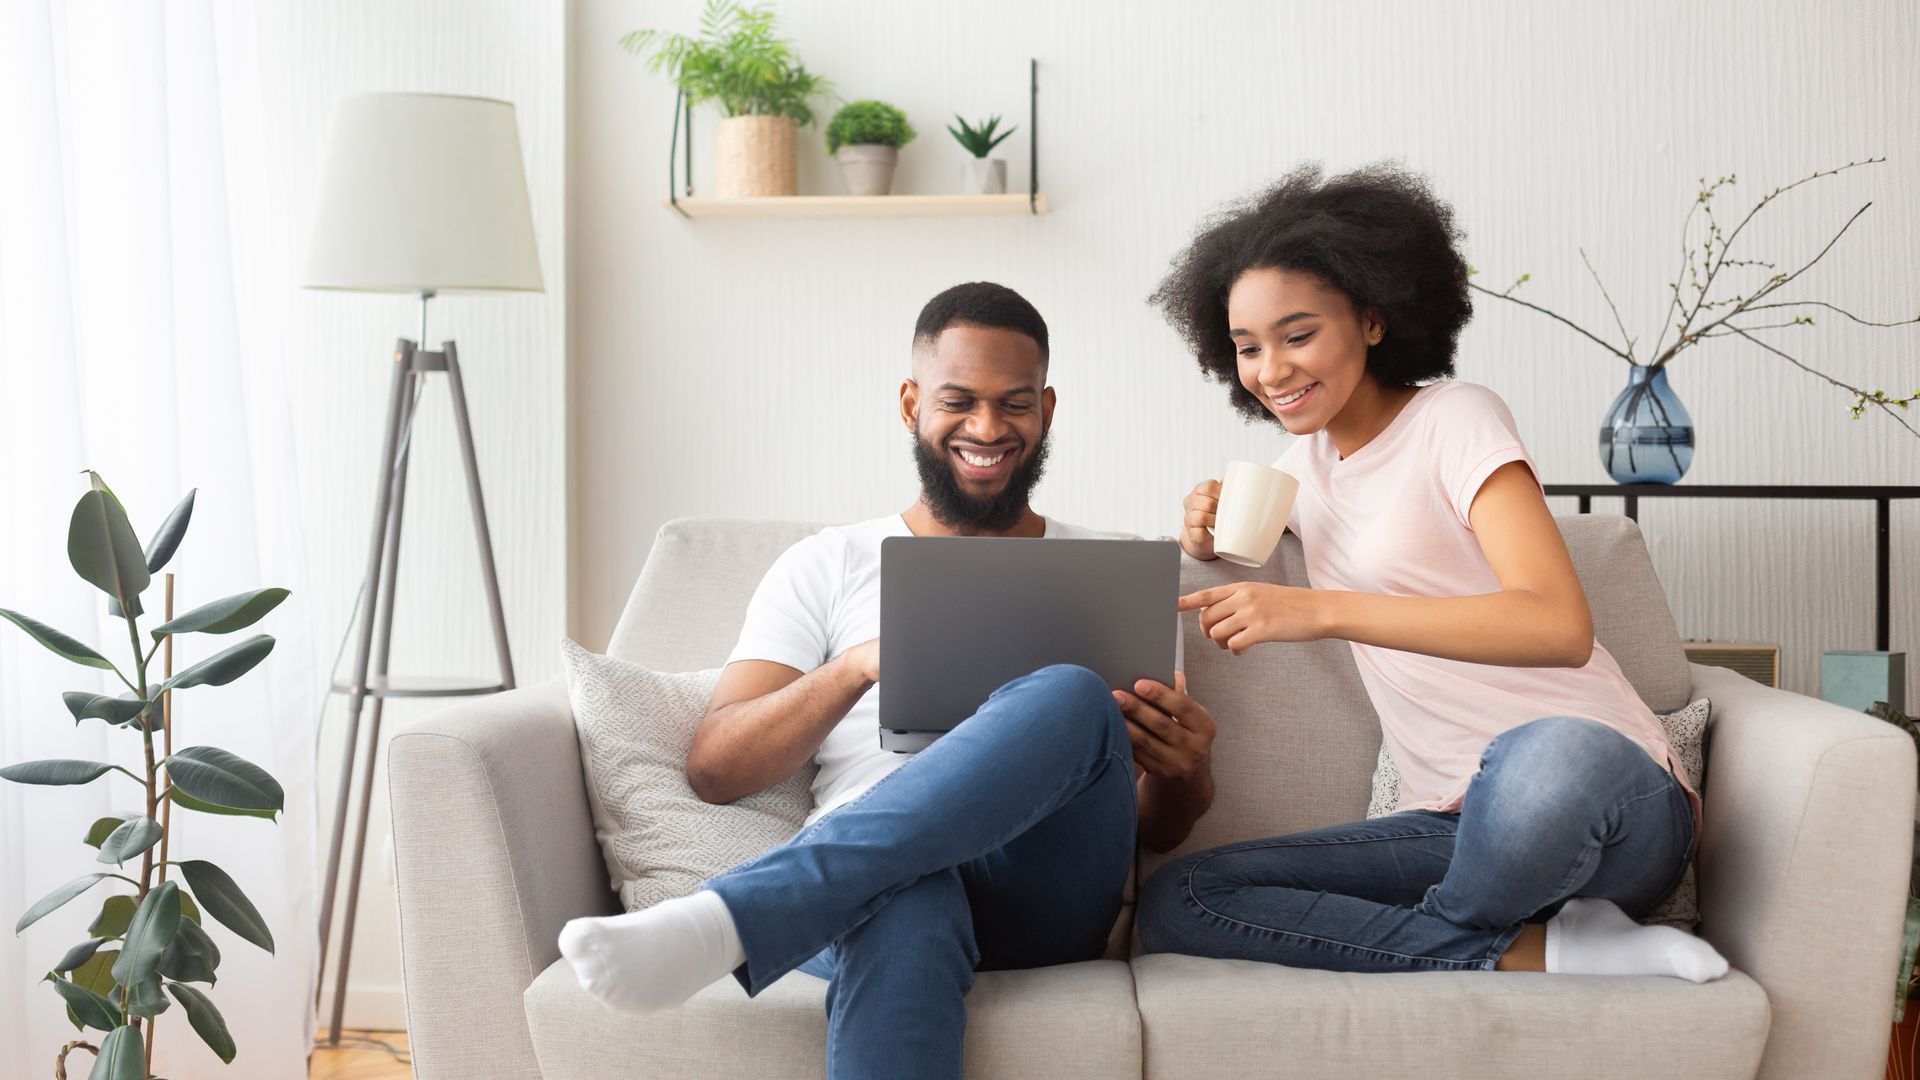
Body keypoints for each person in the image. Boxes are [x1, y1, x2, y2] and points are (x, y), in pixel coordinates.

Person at [558, 281, 1221, 1078]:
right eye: (958, 401)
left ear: (1047, 410)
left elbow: (1156, 827)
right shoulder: (828, 563)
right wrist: (859, 665)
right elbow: (716, 766)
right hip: (878, 890)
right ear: (911, 404)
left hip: (1043, 890)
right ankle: (788, 898)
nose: (986, 428)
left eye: (1014, 404)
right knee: (905, 894)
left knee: (1072, 692)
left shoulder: (1113, 569)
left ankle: (740, 914)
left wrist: (1188, 773)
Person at [1135, 163, 1728, 983]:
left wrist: (1327, 610)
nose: (1271, 370)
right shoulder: (1297, 472)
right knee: (1183, 897)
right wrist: (1198, 521)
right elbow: (1229, 555)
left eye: (1298, 334)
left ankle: (1444, 941)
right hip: (1446, 827)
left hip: (1598, 798)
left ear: (1374, 319)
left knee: (1547, 760)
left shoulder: (1456, 418)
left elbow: (1557, 625)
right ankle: (1538, 950)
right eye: (1247, 347)